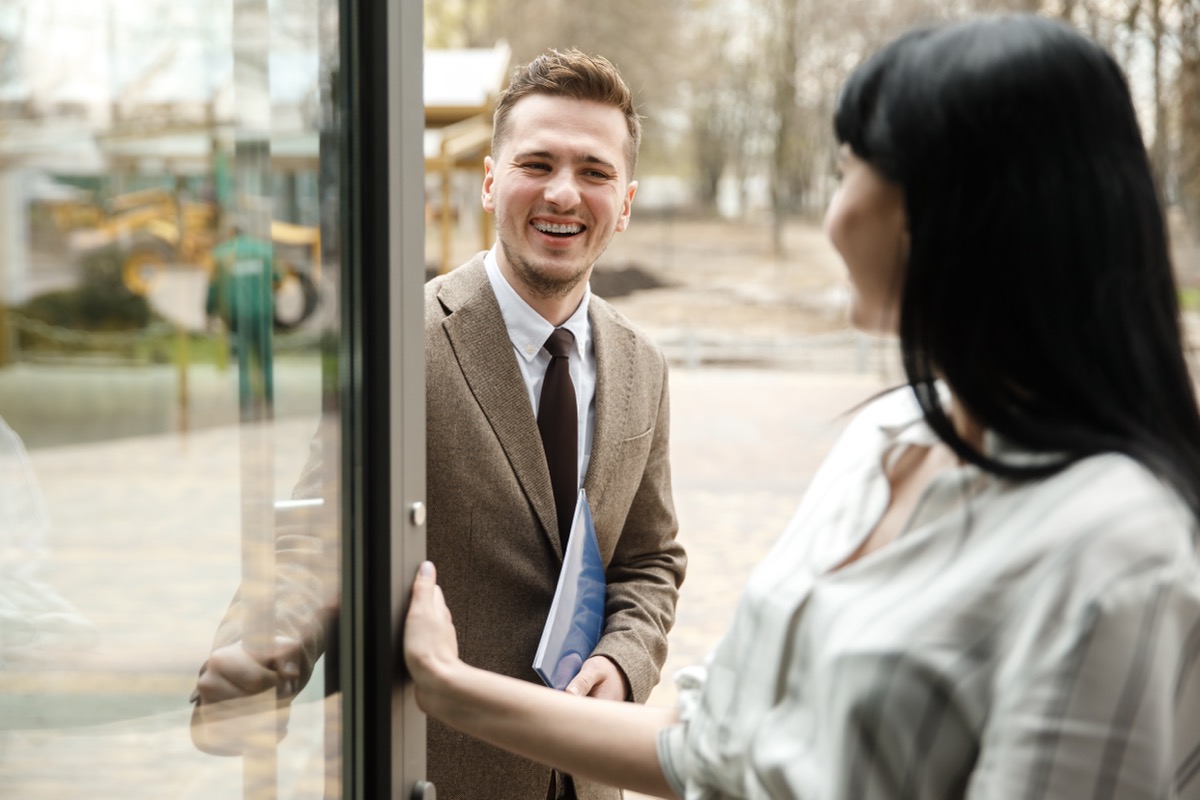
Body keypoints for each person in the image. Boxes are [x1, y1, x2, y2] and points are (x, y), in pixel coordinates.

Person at [403, 15, 1200, 800]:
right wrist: (444, 686)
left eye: (852, 170)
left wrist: (504, 678)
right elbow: (715, 746)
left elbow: (657, 583)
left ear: (955, 213)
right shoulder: (884, 443)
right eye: (537, 162)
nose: (831, 214)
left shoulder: (1122, 553)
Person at [192, 48, 688, 800]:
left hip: (589, 777)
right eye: (537, 163)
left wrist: (623, 662)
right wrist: (264, 648)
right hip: (433, 772)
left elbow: (649, 561)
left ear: (624, 202)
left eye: (594, 171)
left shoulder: (643, 365)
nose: (564, 192)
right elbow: (314, 543)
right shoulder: (400, 341)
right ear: (492, 183)